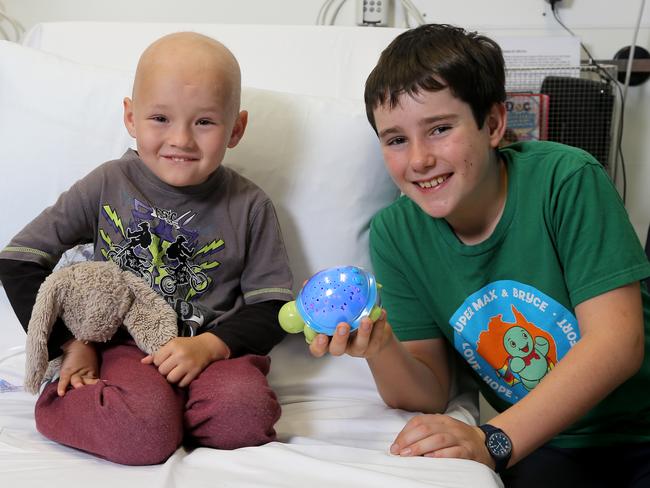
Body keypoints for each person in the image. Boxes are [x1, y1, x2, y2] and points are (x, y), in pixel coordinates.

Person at [308, 24, 650, 487]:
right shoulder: (395, 232)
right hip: (548, 444)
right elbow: (427, 392)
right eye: (396, 139)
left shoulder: (567, 180)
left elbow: (618, 344)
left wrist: (493, 440)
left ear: (492, 124)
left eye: (440, 129)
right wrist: (381, 345)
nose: (419, 160)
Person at [0, 32, 293, 465]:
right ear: (131, 117)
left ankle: (165, 414)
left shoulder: (250, 205)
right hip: (123, 350)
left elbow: (272, 306)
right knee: (142, 435)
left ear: (237, 128)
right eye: (160, 118)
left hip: (210, 350)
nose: (181, 139)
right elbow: (19, 260)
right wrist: (70, 344)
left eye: (204, 122)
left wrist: (211, 345)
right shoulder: (107, 183)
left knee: (245, 418)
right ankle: (99, 409)